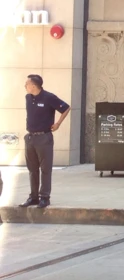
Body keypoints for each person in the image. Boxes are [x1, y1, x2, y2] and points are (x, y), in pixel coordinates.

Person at [20, 75, 70, 209]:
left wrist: (58, 123)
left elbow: (66, 108)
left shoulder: (49, 97)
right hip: (30, 138)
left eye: (27, 84)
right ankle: (33, 197)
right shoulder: (28, 98)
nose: (25, 86)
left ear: (34, 85)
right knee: (32, 169)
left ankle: (45, 197)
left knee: (45, 169)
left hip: (44, 137)